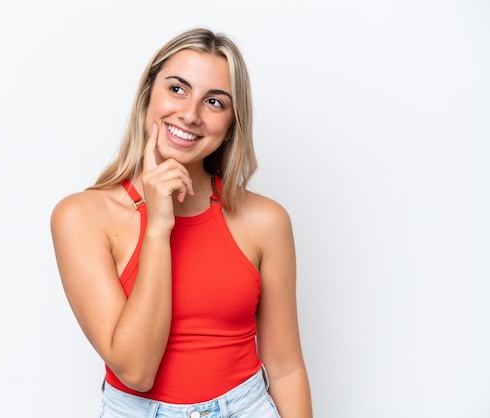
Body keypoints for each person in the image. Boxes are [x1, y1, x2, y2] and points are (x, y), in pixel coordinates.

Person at [51, 27, 312, 418]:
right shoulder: (81, 217)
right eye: (177, 89)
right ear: (147, 99)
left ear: (230, 126)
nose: (190, 114)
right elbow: (136, 370)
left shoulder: (265, 221)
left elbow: (286, 368)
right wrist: (158, 226)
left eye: (214, 101)